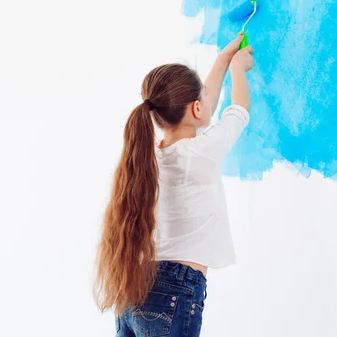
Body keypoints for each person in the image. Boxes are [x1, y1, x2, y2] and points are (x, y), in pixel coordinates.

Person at [93, 33, 254, 337]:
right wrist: (236, 69)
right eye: (203, 97)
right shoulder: (199, 152)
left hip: (135, 288)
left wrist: (223, 59)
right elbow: (238, 111)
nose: (209, 99)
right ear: (195, 108)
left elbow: (203, 106)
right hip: (175, 293)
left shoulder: (148, 157)